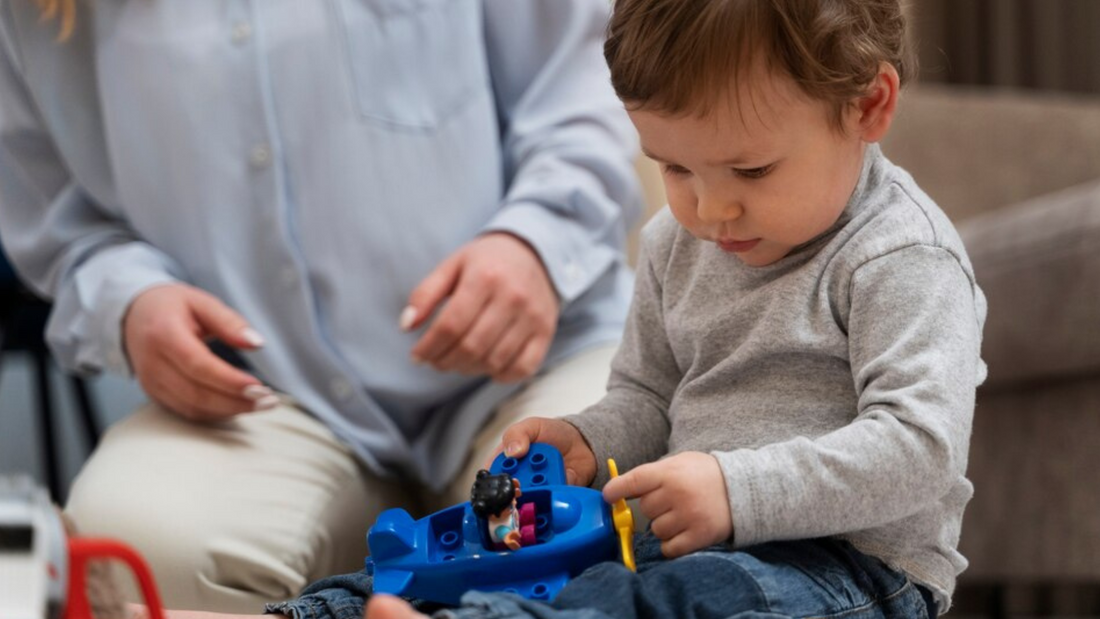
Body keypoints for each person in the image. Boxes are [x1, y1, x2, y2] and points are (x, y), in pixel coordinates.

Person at [267, 0, 988, 617]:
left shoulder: (901, 258)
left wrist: (736, 491)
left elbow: (918, 449)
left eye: (751, 169)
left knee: (664, 602)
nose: (711, 207)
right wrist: (589, 436)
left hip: (847, 572)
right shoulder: (681, 241)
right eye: (674, 167)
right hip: (678, 545)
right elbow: (649, 396)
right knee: (482, 566)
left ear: (868, 106)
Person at [0, 0, 641, 611]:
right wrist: (128, 300)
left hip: (536, 358)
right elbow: (58, 221)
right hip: (264, 397)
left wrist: (534, 243)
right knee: (136, 544)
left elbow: (587, 87)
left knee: (624, 498)